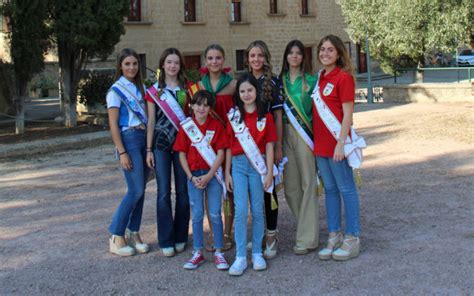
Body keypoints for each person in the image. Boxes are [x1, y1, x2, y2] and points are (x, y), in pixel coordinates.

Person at [312, 34, 361, 261]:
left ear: (339, 53)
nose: (325, 53)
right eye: (322, 49)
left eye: (330, 50)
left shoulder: (343, 78)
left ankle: (352, 238)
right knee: (330, 191)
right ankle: (334, 235)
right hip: (320, 146)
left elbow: (348, 115)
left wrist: (341, 144)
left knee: (346, 189)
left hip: (337, 145)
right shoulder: (319, 77)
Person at [225, 73, 277, 276]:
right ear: (238, 94)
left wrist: (270, 172)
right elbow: (229, 146)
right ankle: (240, 256)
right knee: (240, 211)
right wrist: (228, 172)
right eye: (242, 91)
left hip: (258, 166)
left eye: (250, 90)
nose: (246, 94)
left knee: (257, 209)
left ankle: (256, 252)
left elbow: (270, 146)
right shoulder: (234, 116)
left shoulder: (266, 116)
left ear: (256, 91)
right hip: (237, 165)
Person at [173, 90, 230, 270]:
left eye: (206, 105)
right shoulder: (186, 127)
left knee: (214, 213)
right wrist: (190, 176)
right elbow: (181, 154)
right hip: (193, 176)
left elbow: (221, 153)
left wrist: (210, 174)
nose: (202, 108)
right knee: (197, 214)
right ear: (192, 106)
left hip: (212, 175)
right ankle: (198, 252)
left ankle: (219, 251)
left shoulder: (216, 126)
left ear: (210, 108)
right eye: (198, 104)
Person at [188, 44, 237, 251]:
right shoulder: (198, 86)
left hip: (229, 142)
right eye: (210, 58)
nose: (214, 62)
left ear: (224, 60)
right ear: (205, 61)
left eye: (218, 58)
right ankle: (215, 232)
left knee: (229, 188)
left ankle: (227, 232)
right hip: (206, 146)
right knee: (211, 187)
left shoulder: (234, 84)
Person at [145, 48, 189, 257]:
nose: (172, 66)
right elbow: (151, 121)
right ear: (162, 65)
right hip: (161, 145)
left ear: (180, 66)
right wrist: (148, 149)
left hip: (182, 146)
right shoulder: (154, 92)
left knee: (182, 191)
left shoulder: (187, 90)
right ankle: (166, 238)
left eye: (176, 63)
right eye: (169, 62)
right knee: (163, 193)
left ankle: (181, 236)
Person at [107, 48, 149, 256]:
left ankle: (134, 233)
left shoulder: (139, 88)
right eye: (127, 64)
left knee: (141, 191)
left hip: (143, 138)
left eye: (134, 64)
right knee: (136, 190)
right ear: (120, 67)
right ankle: (116, 235)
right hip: (129, 139)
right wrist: (122, 152)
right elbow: (113, 125)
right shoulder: (116, 91)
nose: (131, 67)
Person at [245, 40, 283, 259]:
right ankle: (258, 234)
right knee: (253, 193)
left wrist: (278, 146)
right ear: (247, 59)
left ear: (266, 57)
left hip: (267, 145)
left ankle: (271, 235)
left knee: (269, 191)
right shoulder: (245, 81)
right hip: (249, 146)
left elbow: (277, 116)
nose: (256, 59)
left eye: (260, 55)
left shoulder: (273, 82)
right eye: (252, 56)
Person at [280, 40, 319, 255]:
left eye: (298, 53)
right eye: (291, 53)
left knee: (308, 184)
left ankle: (307, 238)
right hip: (284, 135)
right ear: (286, 56)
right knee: (292, 188)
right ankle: (306, 228)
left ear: (303, 57)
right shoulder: (279, 81)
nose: (294, 56)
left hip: (305, 136)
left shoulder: (312, 81)